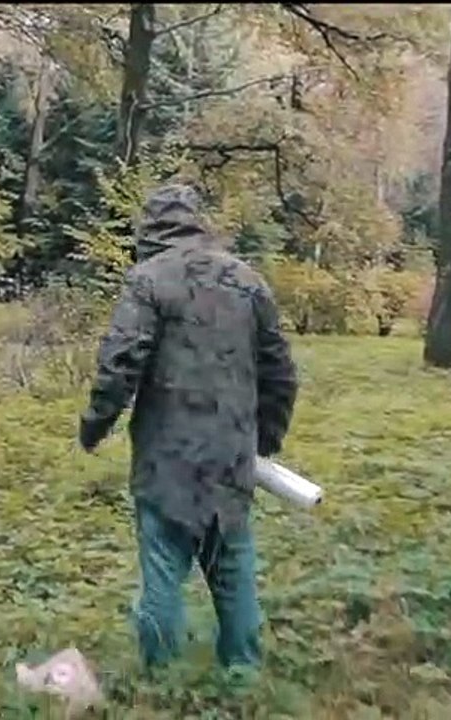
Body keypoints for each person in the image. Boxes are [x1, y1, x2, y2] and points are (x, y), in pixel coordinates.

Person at [77, 182, 299, 671]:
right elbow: (280, 369)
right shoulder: (248, 282)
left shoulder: (148, 279)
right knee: (233, 567)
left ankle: (160, 681)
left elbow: (120, 361)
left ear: (150, 229)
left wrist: (95, 425)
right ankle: (242, 675)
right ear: (198, 222)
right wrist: (265, 439)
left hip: (165, 456)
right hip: (232, 454)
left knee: (162, 568)